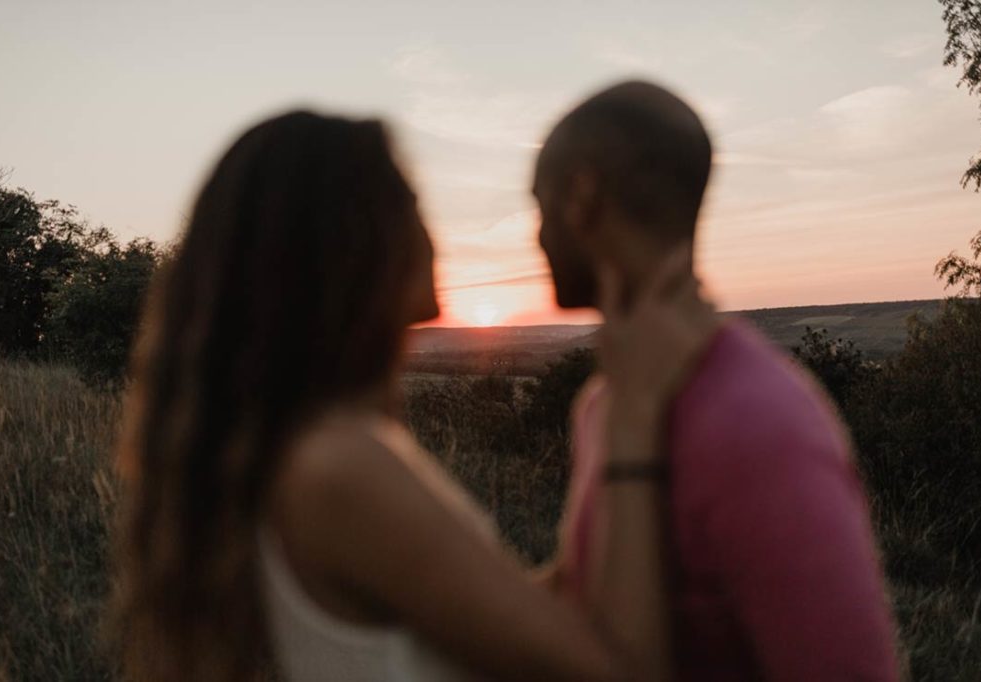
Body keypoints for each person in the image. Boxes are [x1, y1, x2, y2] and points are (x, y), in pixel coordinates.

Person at [111, 110, 718, 682]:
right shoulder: (340, 466)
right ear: (355, 242)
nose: (431, 234)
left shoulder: (329, 447)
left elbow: (497, 617)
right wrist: (633, 420)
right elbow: (627, 672)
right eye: (412, 208)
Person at [533, 80, 901, 681]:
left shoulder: (762, 422)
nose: (537, 235)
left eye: (537, 204)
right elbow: (582, 606)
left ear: (581, 195)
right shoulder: (606, 403)